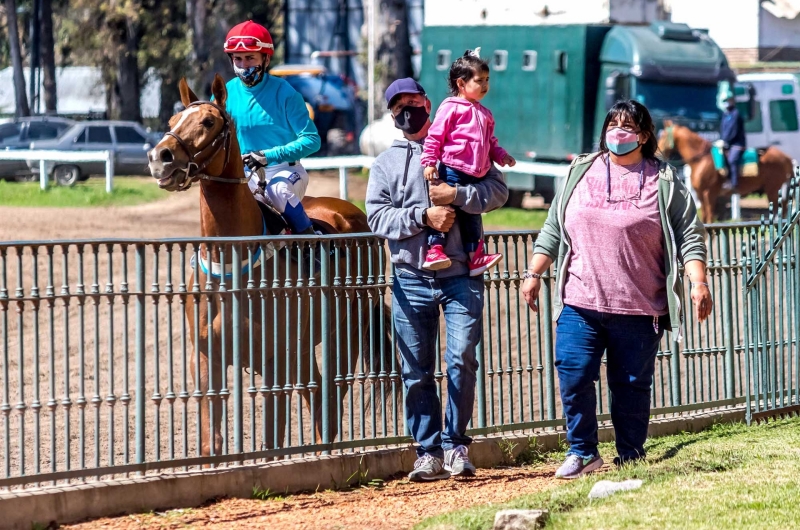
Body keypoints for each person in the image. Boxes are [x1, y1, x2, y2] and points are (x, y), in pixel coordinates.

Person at [521, 100, 712, 479]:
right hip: (580, 300)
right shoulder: (580, 170)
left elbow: (690, 235)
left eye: (627, 127)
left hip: (639, 307)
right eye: (612, 125)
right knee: (573, 374)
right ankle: (583, 453)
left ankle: (630, 456)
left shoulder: (665, 180)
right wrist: (533, 273)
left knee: (630, 388)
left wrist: (698, 282)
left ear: (643, 136)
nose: (617, 133)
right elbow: (554, 229)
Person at [366, 78, 508, 481]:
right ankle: (426, 451)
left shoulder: (462, 142)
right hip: (410, 277)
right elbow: (378, 217)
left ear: (429, 103)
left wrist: (458, 196)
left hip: (461, 275)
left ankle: (455, 443)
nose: (407, 110)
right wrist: (421, 217)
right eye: (399, 106)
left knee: (461, 358)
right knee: (416, 371)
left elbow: (498, 190)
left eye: (413, 102)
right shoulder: (385, 164)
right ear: (392, 115)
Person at [420, 49, 514, 276]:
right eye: (479, 80)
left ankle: (476, 257)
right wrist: (430, 162)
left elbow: (491, 142)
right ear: (461, 84)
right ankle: (435, 250)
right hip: (452, 169)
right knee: (444, 210)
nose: (485, 85)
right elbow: (435, 136)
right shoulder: (450, 107)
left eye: (487, 80)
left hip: (476, 175)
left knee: (473, 215)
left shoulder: (486, 114)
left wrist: (501, 155)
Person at [222, 20, 321, 235]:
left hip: (285, 170)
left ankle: (310, 246)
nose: (243, 65)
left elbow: (312, 140)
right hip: (244, 172)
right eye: (237, 58)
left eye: (250, 58)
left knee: (277, 190)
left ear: (266, 59)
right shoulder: (225, 94)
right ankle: (210, 254)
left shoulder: (286, 94)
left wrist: (267, 155)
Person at [721, 93, 746, 192]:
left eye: (728, 100)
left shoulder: (736, 114)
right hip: (727, 143)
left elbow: (733, 131)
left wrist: (726, 141)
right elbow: (723, 129)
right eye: (725, 101)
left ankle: (734, 183)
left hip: (737, 143)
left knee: (732, 159)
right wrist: (722, 140)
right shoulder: (725, 114)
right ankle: (725, 180)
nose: (726, 103)